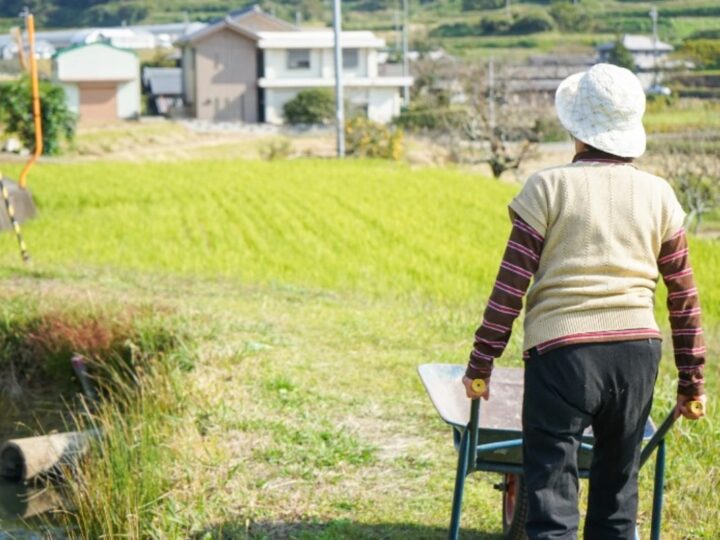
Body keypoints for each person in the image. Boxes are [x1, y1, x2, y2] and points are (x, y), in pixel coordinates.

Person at [461, 63, 707, 539]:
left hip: (563, 355)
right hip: (637, 354)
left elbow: (509, 288)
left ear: (575, 128)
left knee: (552, 497)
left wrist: (480, 364)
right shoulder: (660, 195)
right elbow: (684, 296)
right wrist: (692, 379)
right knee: (617, 497)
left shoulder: (548, 187)